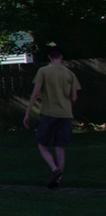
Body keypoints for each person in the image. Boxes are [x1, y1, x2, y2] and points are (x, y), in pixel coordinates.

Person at [23, 44, 81, 189]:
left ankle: (54, 170)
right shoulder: (70, 74)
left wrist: (28, 112)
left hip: (49, 113)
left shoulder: (43, 71)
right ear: (61, 57)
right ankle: (59, 179)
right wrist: (67, 107)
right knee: (60, 147)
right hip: (66, 114)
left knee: (42, 144)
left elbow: (36, 93)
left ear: (49, 57)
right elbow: (74, 97)